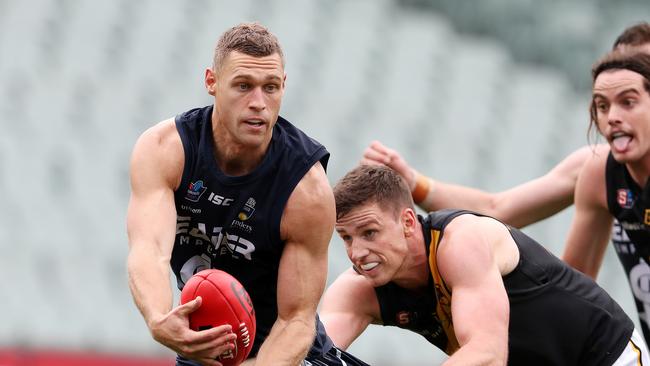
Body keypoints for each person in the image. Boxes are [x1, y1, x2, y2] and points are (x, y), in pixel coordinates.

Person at [361, 22, 650, 341]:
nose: (614, 115)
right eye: (606, 102)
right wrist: (415, 184)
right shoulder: (599, 171)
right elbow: (499, 210)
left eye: (630, 96)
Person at [126, 22, 368, 366]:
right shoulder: (165, 150)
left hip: (289, 354)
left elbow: (296, 320)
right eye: (243, 86)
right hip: (208, 348)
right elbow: (148, 250)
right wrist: (158, 317)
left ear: (284, 85)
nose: (259, 103)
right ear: (211, 82)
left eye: (271, 87)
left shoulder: (306, 188)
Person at [321, 164, 648, 365]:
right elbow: (309, 353)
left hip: (605, 356)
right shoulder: (357, 290)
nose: (357, 252)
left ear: (408, 222)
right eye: (347, 238)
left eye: (369, 233)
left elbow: (488, 355)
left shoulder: (459, 242)